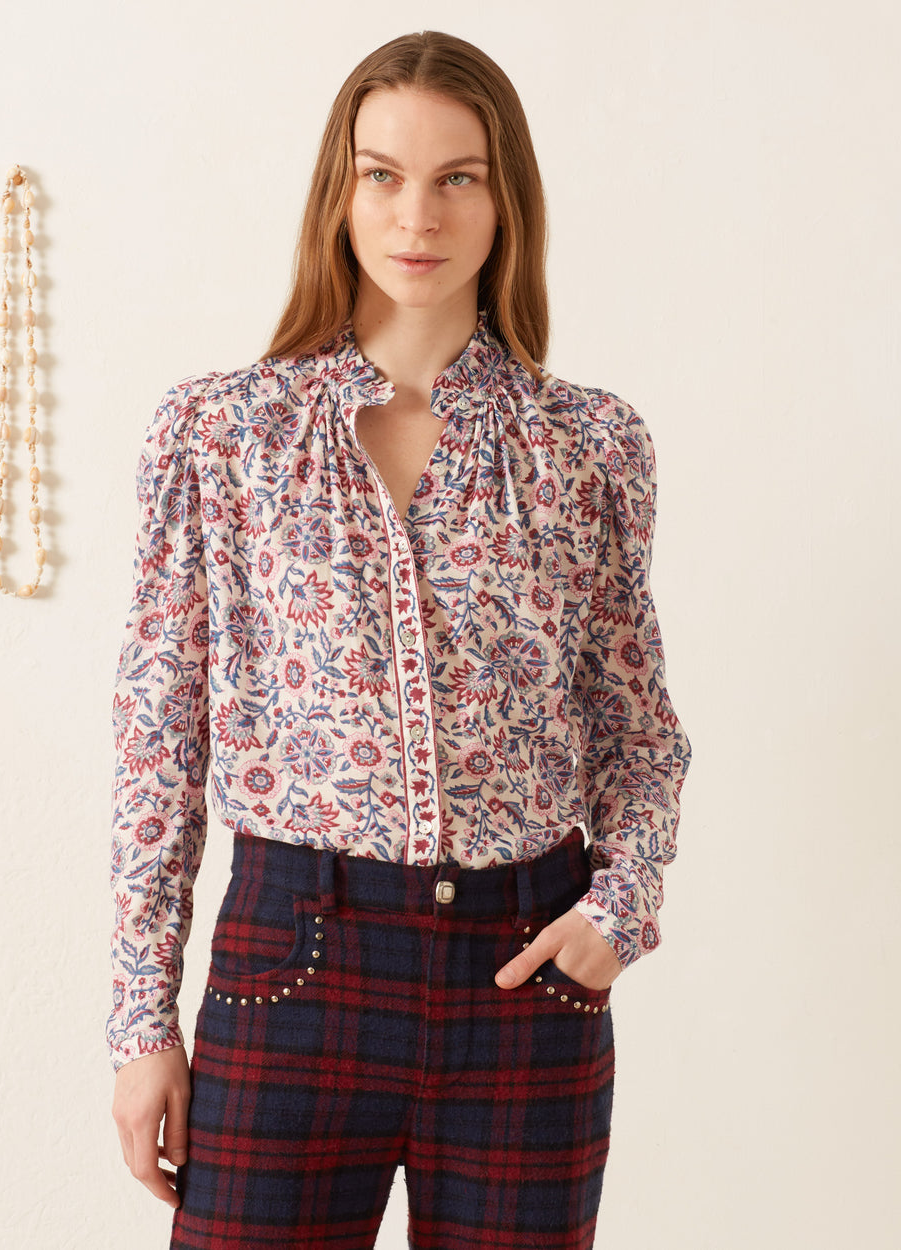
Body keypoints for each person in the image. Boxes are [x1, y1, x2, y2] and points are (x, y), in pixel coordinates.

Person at [109, 29, 691, 1250]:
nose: (415, 213)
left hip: (524, 982)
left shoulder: (587, 447)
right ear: (339, 190)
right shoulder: (223, 434)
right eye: (382, 174)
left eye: (456, 177)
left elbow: (637, 729)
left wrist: (621, 908)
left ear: (504, 198)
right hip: (290, 965)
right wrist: (142, 1024)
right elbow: (159, 744)